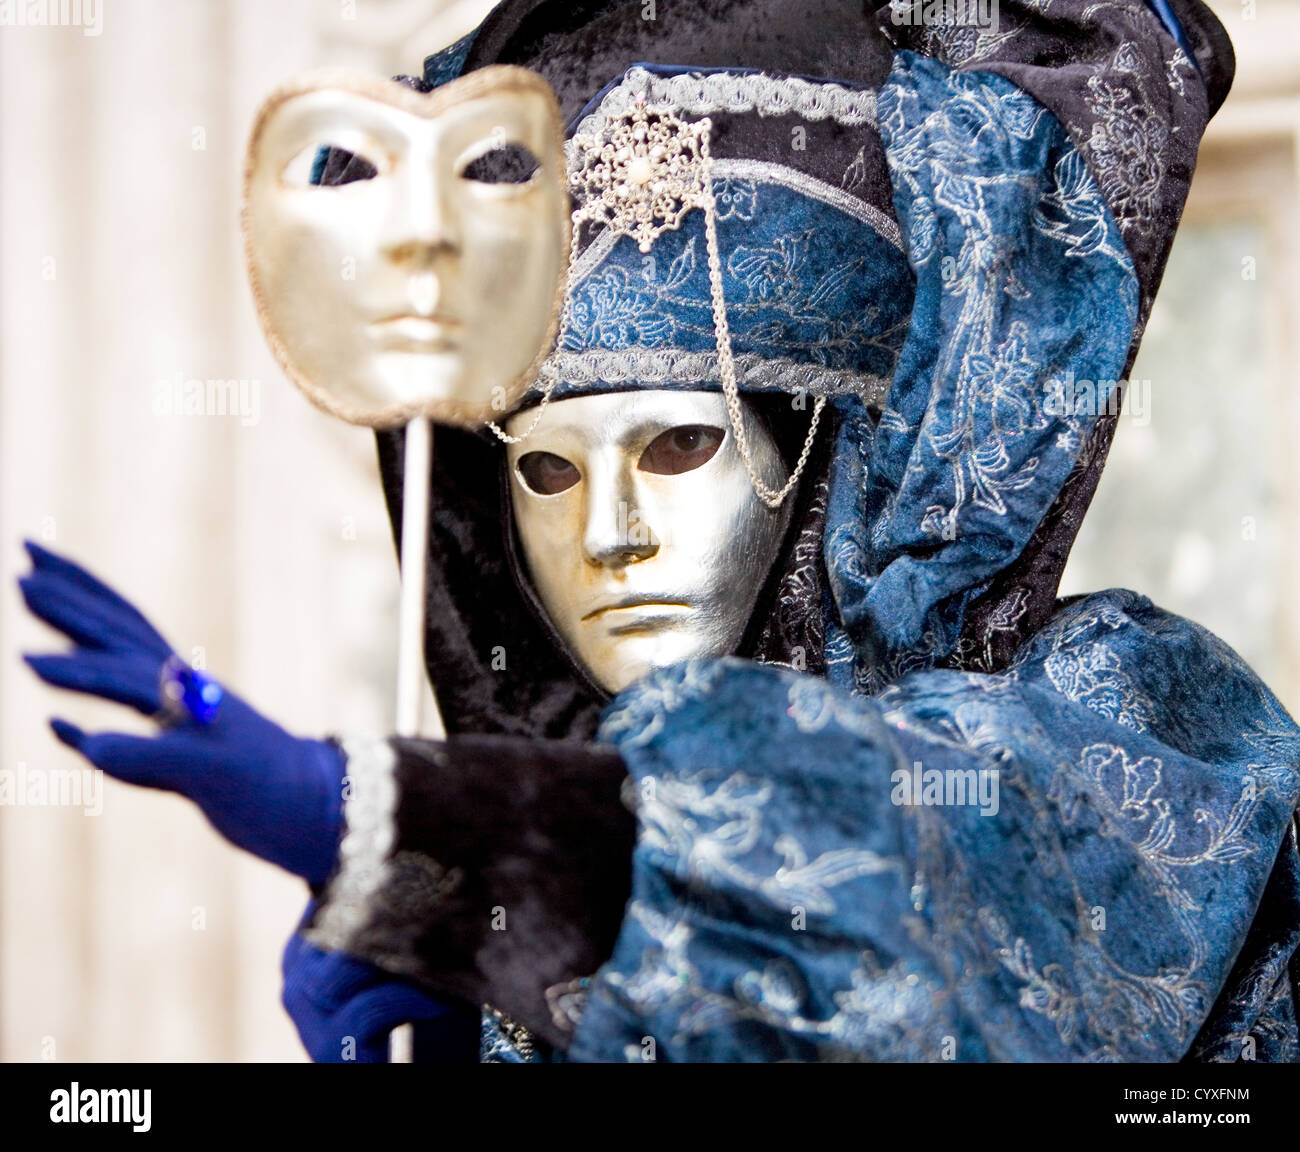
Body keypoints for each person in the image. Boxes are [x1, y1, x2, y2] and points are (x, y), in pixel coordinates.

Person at [20, 0, 1300, 1063]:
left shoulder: (1124, 722)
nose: (611, 537)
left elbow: (901, 895)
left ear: (820, 461)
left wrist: (427, 835)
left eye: (682, 445)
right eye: (543, 471)